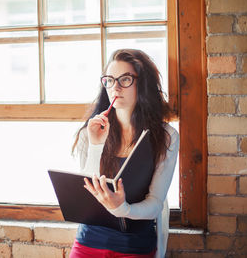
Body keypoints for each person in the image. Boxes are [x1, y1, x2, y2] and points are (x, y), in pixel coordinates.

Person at [70, 49, 179, 258]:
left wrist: (123, 209)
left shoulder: (167, 137)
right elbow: (85, 195)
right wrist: (95, 145)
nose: (116, 87)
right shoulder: (91, 131)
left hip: (135, 247)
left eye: (125, 79)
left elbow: (155, 203)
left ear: (143, 84)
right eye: (109, 80)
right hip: (88, 242)